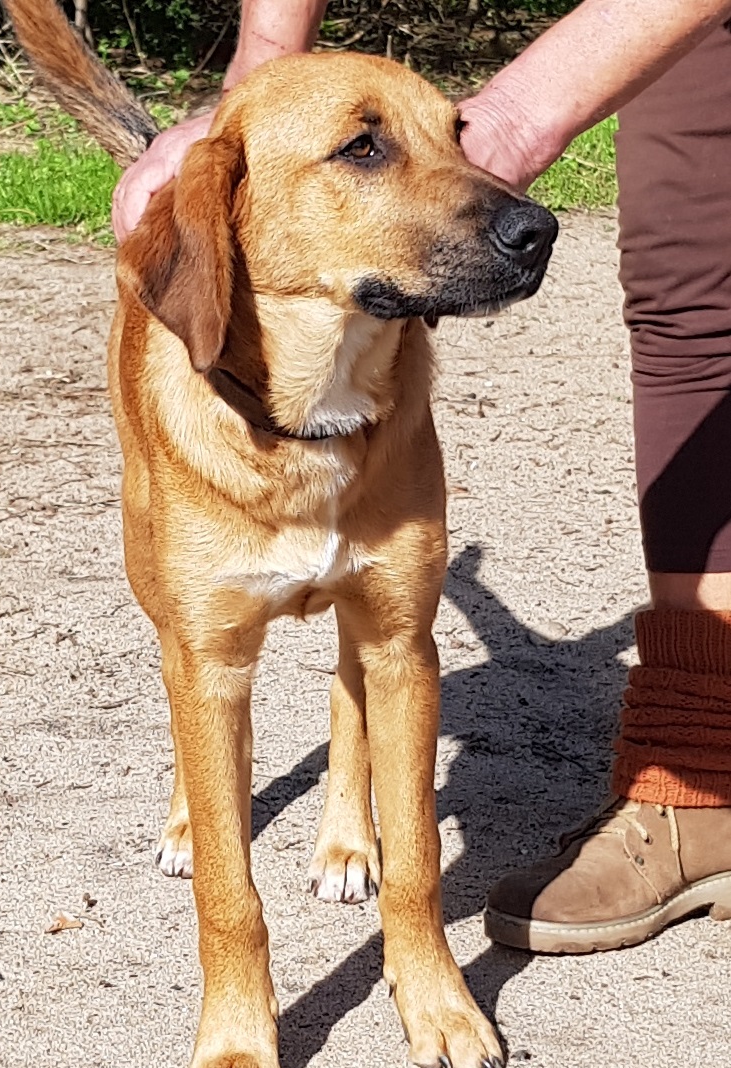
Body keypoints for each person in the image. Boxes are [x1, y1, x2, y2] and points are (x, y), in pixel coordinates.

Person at [112, 0, 731, 954]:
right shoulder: (207, 224)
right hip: (220, 416)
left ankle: (688, 780)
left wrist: (511, 121)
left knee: (383, 628)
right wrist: (261, 69)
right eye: (366, 151)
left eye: (447, 139)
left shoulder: (391, 369)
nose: (508, 213)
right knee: (198, 649)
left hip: (376, 438)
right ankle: (199, 794)